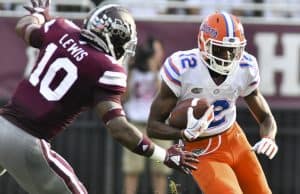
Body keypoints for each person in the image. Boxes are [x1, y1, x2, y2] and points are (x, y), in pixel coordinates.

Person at [0, 1, 199, 194]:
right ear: (115, 39)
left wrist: (39, 14)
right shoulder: (106, 69)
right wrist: (163, 155)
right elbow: (119, 129)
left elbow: (23, 27)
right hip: (28, 142)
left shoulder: (60, 28)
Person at [147, 11, 279, 194]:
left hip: (235, 139)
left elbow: (265, 117)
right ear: (204, 44)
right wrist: (183, 134)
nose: (227, 57)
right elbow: (153, 126)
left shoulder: (245, 66)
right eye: (220, 49)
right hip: (201, 149)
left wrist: (269, 137)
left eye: (233, 50)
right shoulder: (183, 67)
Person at [122, 38, 173, 194]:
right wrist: (128, 71)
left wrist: (155, 71)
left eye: (157, 51)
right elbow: (124, 98)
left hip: (158, 125)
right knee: (132, 169)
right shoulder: (133, 70)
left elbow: (164, 96)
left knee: (161, 169)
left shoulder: (166, 71)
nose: (155, 55)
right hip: (136, 125)